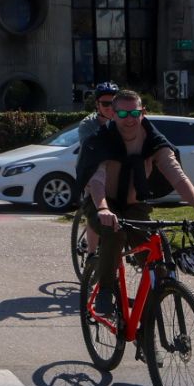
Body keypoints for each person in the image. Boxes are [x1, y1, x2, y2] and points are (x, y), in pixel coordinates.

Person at [78, 89, 194, 314]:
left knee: (156, 261)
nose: (130, 119)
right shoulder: (100, 140)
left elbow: (177, 175)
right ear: (113, 115)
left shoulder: (153, 139)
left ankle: (150, 318)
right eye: (123, 114)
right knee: (114, 233)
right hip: (101, 203)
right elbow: (97, 180)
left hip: (134, 204)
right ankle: (105, 289)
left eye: (135, 113)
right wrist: (104, 208)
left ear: (143, 112)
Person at [74, 81, 120, 257]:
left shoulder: (124, 118)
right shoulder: (88, 125)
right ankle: (92, 256)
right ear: (97, 105)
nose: (110, 108)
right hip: (90, 168)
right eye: (105, 104)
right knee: (95, 210)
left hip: (115, 170)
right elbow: (93, 151)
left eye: (114, 103)